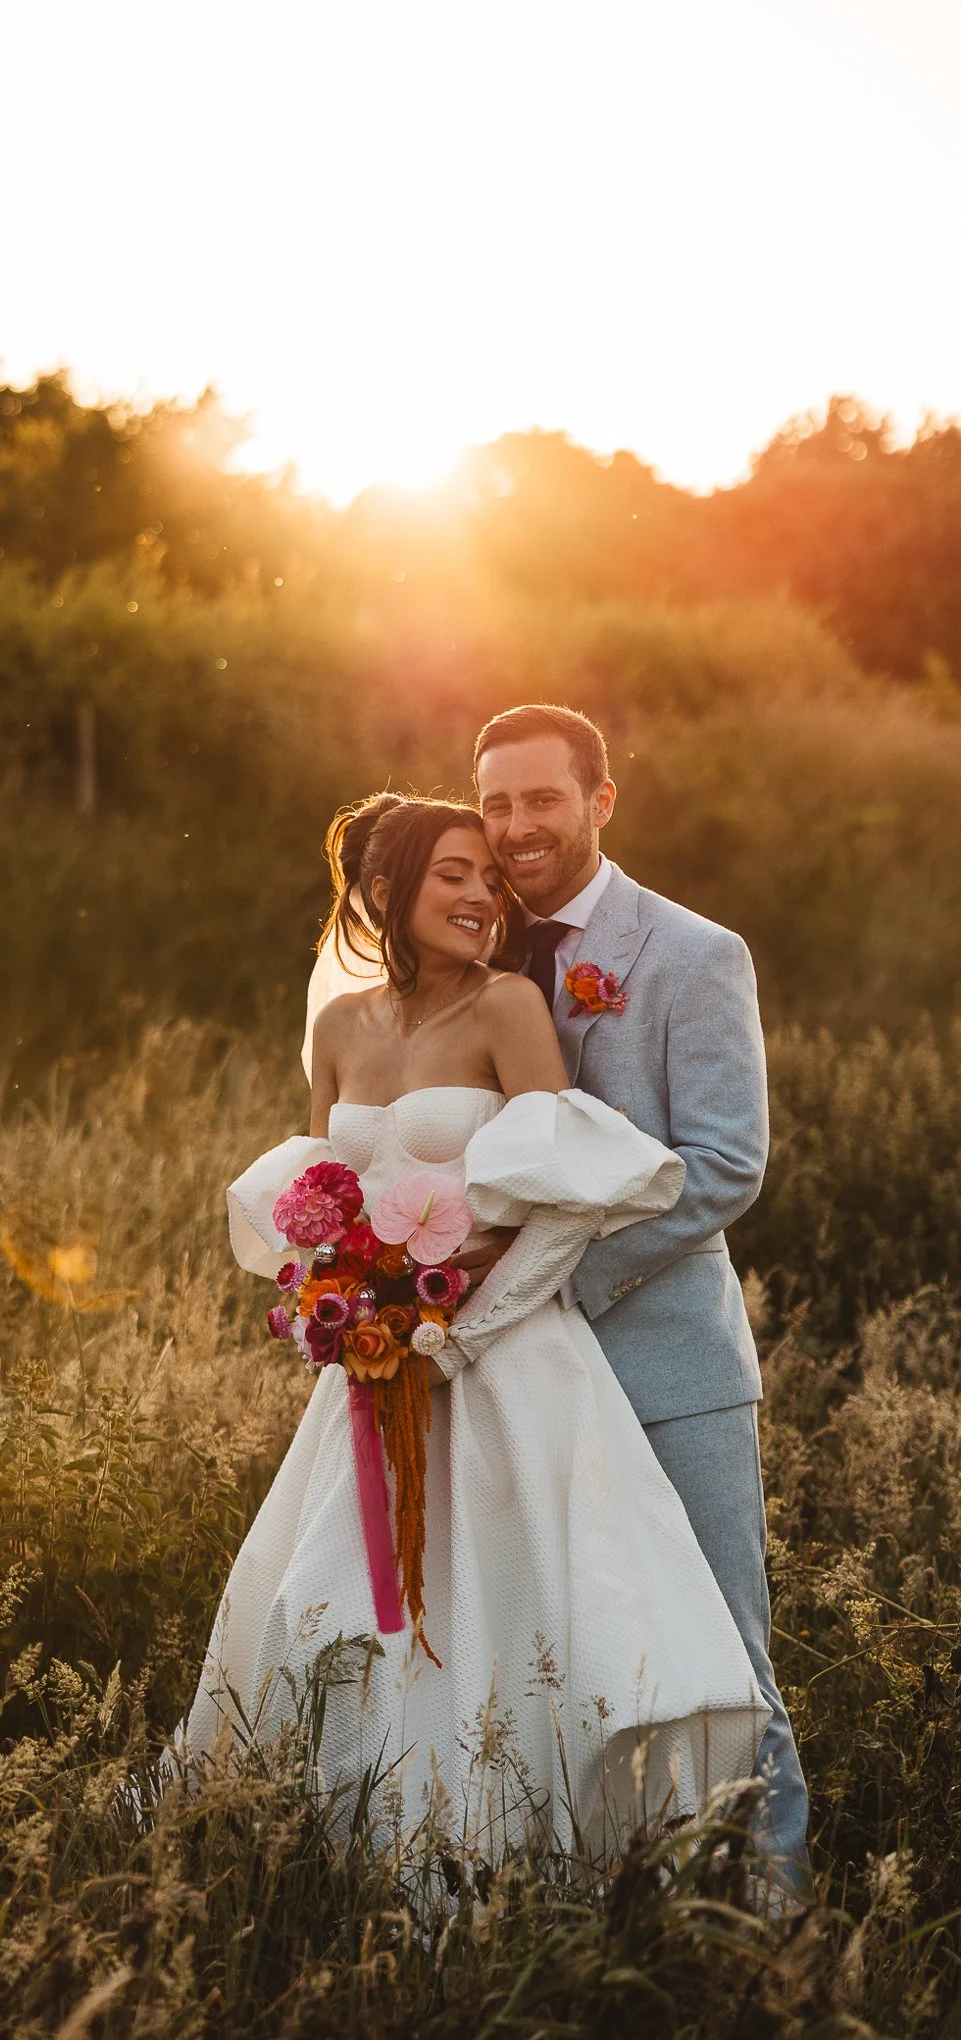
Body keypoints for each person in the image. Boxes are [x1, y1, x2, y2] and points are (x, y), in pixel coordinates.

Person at [178, 792, 769, 1873]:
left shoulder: (508, 1007)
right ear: (380, 890)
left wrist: (461, 1331)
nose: (479, 896)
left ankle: (530, 1860)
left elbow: (564, 1199)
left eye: (487, 880)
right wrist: (340, 1301)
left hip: (501, 1363)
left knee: (513, 1609)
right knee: (341, 1604)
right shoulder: (337, 1025)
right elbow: (322, 1187)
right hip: (374, 1365)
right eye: (453, 873)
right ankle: (363, 1852)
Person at [472, 701, 809, 1897]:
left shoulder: (689, 951)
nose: (514, 827)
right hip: (510, 1381)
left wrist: (551, 1278)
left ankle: (771, 1926)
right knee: (552, 1656)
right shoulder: (472, 948)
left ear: (599, 802)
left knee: (723, 1649)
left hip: (666, 1367)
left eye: (540, 799)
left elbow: (725, 1162)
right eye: (494, 803)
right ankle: (613, 1908)